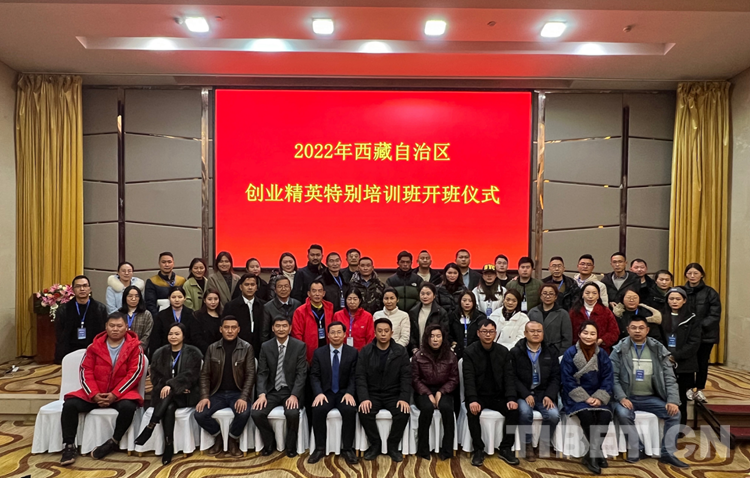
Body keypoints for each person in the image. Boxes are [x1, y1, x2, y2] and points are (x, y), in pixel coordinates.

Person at [59, 312, 145, 465]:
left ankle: (113, 442)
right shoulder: (94, 346)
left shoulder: (135, 348)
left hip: (121, 394)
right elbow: (85, 371)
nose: (115, 329)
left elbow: (134, 374)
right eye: (112, 326)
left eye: (119, 326)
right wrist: (94, 394)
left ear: (126, 327)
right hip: (96, 393)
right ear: (106, 326)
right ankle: (69, 446)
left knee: (129, 407)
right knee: (70, 405)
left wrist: (115, 394)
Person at [610, 315, 689, 468]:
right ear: (627, 330)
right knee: (623, 413)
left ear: (647, 330)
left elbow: (669, 377)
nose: (637, 331)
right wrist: (621, 397)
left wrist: (672, 400)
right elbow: (613, 377)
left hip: (649, 398)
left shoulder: (658, 349)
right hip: (628, 397)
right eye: (633, 328)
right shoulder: (619, 350)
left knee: (675, 414)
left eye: (641, 328)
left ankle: (667, 453)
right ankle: (638, 448)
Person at [134, 322, 202, 464]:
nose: (173, 336)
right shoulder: (159, 353)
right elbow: (155, 377)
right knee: (169, 407)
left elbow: (191, 375)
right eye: (170, 334)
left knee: (169, 396)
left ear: (183, 336)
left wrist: (172, 385)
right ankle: (168, 446)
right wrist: (170, 386)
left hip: (187, 394)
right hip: (165, 394)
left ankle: (151, 426)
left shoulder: (193, 352)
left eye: (177, 334)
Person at [195, 316, 256, 456]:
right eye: (226, 327)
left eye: (233, 328)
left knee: (244, 413)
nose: (230, 331)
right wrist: (204, 397)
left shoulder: (246, 348)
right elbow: (205, 375)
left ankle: (232, 439)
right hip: (218, 393)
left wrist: (243, 397)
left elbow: (250, 375)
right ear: (220, 329)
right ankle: (219, 437)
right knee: (199, 414)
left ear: (238, 329)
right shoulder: (212, 348)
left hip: (238, 393)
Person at [463, 319, 520, 467]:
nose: (488, 335)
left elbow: (509, 377)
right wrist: (472, 399)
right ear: (478, 333)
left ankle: (505, 448)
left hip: (498, 396)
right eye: (484, 331)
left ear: (496, 333)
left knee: (514, 411)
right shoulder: (470, 352)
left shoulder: (503, 351)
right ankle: (478, 449)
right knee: (472, 412)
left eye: (491, 332)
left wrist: (511, 398)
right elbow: (468, 379)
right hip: (478, 396)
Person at [560, 321, 614, 475]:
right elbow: (567, 379)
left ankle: (592, 454)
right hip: (576, 395)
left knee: (604, 416)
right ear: (579, 334)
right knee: (587, 415)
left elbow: (608, 378)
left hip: (598, 394)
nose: (588, 336)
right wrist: (585, 398)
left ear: (597, 336)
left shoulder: (602, 354)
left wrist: (599, 397)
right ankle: (596, 454)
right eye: (585, 333)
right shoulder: (570, 353)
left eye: (592, 334)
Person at [356, 318, 412, 462]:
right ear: (374, 333)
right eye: (379, 331)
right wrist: (364, 398)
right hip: (372, 394)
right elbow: (360, 377)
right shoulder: (366, 351)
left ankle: (392, 445)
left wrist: (403, 398)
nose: (383, 334)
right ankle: (375, 444)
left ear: (391, 333)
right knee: (364, 411)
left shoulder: (400, 351)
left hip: (393, 394)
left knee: (403, 412)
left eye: (386, 331)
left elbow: (406, 377)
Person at [252, 316, 308, 457]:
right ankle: (269, 442)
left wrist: (294, 395)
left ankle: (290, 446)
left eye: (284, 326)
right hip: (272, 391)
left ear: (290, 328)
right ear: (273, 328)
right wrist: (261, 394)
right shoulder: (266, 346)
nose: (281, 329)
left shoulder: (299, 346)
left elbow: (301, 374)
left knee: (292, 413)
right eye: (278, 326)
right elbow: (262, 373)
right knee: (256, 413)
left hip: (290, 390)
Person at [308, 321, 359, 465]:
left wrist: (350, 392)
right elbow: (314, 376)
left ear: (344, 334)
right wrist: (318, 393)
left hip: (344, 392)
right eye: (332, 332)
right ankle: (319, 448)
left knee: (349, 410)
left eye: (339, 332)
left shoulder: (353, 352)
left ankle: (347, 449)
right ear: (328, 335)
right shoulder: (319, 353)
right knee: (318, 409)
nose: (336, 335)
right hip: (326, 392)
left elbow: (354, 376)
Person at [511, 321, 560, 461]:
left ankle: (542, 443)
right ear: (525, 333)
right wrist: (525, 394)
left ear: (543, 333)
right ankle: (527, 445)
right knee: (525, 412)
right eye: (532, 331)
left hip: (543, 393)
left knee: (553, 415)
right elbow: (512, 377)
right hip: (523, 393)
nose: (536, 334)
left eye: (539, 331)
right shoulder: (516, 352)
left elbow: (556, 377)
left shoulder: (550, 351)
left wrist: (550, 395)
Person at [412, 324, 458, 460]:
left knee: (447, 408)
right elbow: (415, 379)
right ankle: (423, 449)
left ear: (443, 338)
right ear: (427, 338)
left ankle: (447, 450)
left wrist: (441, 392)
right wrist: (428, 394)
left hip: (445, 389)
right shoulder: (418, 356)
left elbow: (454, 379)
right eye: (432, 336)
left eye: (438, 336)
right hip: (423, 390)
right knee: (427, 408)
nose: (435, 339)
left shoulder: (451, 356)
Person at [663, 287, 702, 426]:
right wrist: (665, 355)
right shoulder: (661, 316)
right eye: (671, 299)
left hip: (685, 364)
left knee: (681, 397)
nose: (674, 301)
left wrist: (676, 356)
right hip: (664, 361)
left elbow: (694, 342)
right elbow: (657, 338)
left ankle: (680, 426)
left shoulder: (692, 318)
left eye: (678, 299)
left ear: (684, 300)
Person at [683, 263, 721, 404]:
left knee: (702, 362)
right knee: (687, 362)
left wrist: (699, 328)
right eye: (689, 273)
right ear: (686, 275)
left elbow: (714, 314)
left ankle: (699, 389)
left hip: (705, 334)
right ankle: (687, 388)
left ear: (702, 275)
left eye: (696, 273)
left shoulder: (710, 292)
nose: (692, 276)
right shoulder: (681, 291)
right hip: (685, 334)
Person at [54, 275, 108, 364]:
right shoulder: (64, 309)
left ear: (90, 289)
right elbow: (60, 335)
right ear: (73, 290)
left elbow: (103, 333)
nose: (82, 289)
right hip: (70, 351)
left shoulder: (100, 308)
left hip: (94, 351)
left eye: (85, 286)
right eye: (78, 286)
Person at [222, 274, 270, 360]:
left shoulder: (264, 306)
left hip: (259, 349)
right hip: (237, 349)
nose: (250, 287)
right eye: (246, 284)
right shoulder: (231, 306)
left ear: (256, 287)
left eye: (252, 284)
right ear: (241, 287)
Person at [291, 279, 335, 363]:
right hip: (309, 353)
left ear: (324, 293)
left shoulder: (330, 307)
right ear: (309, 293)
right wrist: (302, 355)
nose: (317, 294)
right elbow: (297, 335)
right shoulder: (300, 311)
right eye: (314, 291)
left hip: (328, 349)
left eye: (320, 291)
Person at [569, 283, 620, 353]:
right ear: (582, 295)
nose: (590, 296)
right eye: (587, 293)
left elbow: (614, 332)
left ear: (598, 296)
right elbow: (568, 332)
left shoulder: (606, 311)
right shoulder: (574, 311)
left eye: (594, 293)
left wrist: (601, 340)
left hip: (600, 350)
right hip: (577, 349)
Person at [527, 284, 572, 356]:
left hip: (555, 351)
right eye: (545, 293)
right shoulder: (533, 312)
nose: (547, 296)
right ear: (540, 296)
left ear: (556, 296)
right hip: (535, 350)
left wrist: (561, 353)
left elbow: (567, 338)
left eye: (551, 294)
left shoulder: (563, 314)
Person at [408, 282, 450, 356]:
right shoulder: (413, 312)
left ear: (434, 295)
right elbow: (411, 333)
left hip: (435, 352)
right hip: (417, 351)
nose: (425, 296)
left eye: (428, 294)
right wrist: (414, 348)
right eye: (422, 294)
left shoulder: (441, 312)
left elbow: (444, 333)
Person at [151, 286, 194, 356]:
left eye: (180, 297)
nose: (177, 300)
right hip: (166, 352)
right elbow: (156, 338)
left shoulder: (191, 314)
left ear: (185, 298)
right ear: (169, 298)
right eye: (173, 297)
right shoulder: (161, 315)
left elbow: (194, 337)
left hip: (187, 352)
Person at [145, 252, 186, 316]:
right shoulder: (152, 281)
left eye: (169, 262)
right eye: (163, 262)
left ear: (173, 263)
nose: (167, 265)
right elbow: (150, 304)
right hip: (160, 316)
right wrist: (157, 318)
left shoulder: (182, 280)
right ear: (159, 263)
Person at [449, 291, 486, 359]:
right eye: (464, 300)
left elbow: (482, 334)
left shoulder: (480, 317)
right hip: (456, 351)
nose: (467, 303)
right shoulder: (453, 316)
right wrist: (452, 342)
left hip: (475, 352)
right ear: (460, 301)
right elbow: (447, 332)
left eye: (470, 301)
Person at [118, 285, 153, 351]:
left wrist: (138, 348)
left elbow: (147, 335)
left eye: (136, 296)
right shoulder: (119, 314)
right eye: (130, 296)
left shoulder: (146, 314)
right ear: (125, 298)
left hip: (140, 350)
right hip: (121, 350)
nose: (133, 299)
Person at [190, 289, 223, 355]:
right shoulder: (197, 316)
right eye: (210, 299)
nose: (213, 302)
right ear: (204, 300)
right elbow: (196, 337)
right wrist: (209, 350)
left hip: (220, 352)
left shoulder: (222, 316)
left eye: (216, 299)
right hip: (202, 352)